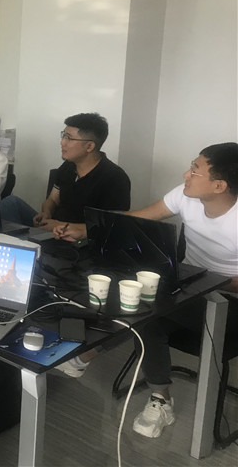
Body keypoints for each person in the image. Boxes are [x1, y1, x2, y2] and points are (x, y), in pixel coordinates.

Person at [55, 143, 238, 439]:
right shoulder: (185, 195)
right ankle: (160, 397)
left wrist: (208, 280)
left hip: (229, 301)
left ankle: (90, 357)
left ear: (219, 185)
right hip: (187, 288)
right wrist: (83, 229)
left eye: (195, 170)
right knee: (142, 304)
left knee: (150, 311)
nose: (185, 174)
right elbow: (136, 218)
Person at [0, 113, 131, 233]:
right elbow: (52, 199)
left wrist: (60, 225)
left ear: (89, 146)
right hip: (53, 228)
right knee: (11, 203)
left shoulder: (114, 178)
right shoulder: (68, 166)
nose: (62, 142)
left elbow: (110, 226)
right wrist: (46, 213)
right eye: (63, 135)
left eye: (69, 138)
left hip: (79, 240)